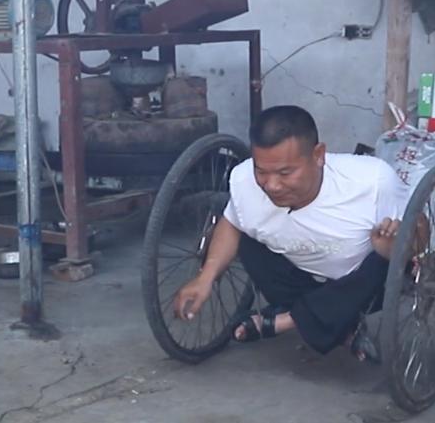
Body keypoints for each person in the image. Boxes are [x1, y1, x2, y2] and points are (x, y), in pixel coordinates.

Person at [173, 105, 409, 360]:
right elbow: (231, 223)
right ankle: (332, 325)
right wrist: (205, 278)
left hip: (361, 288)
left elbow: (420, 237)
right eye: (261, 172)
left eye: (285, 173)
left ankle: (288, 321)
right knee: (246, 235)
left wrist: (394, 248)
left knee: (380, 260)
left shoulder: (373, 182)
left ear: (318, 155)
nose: (272, 185)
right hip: (298, 281)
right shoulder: (244, 181)